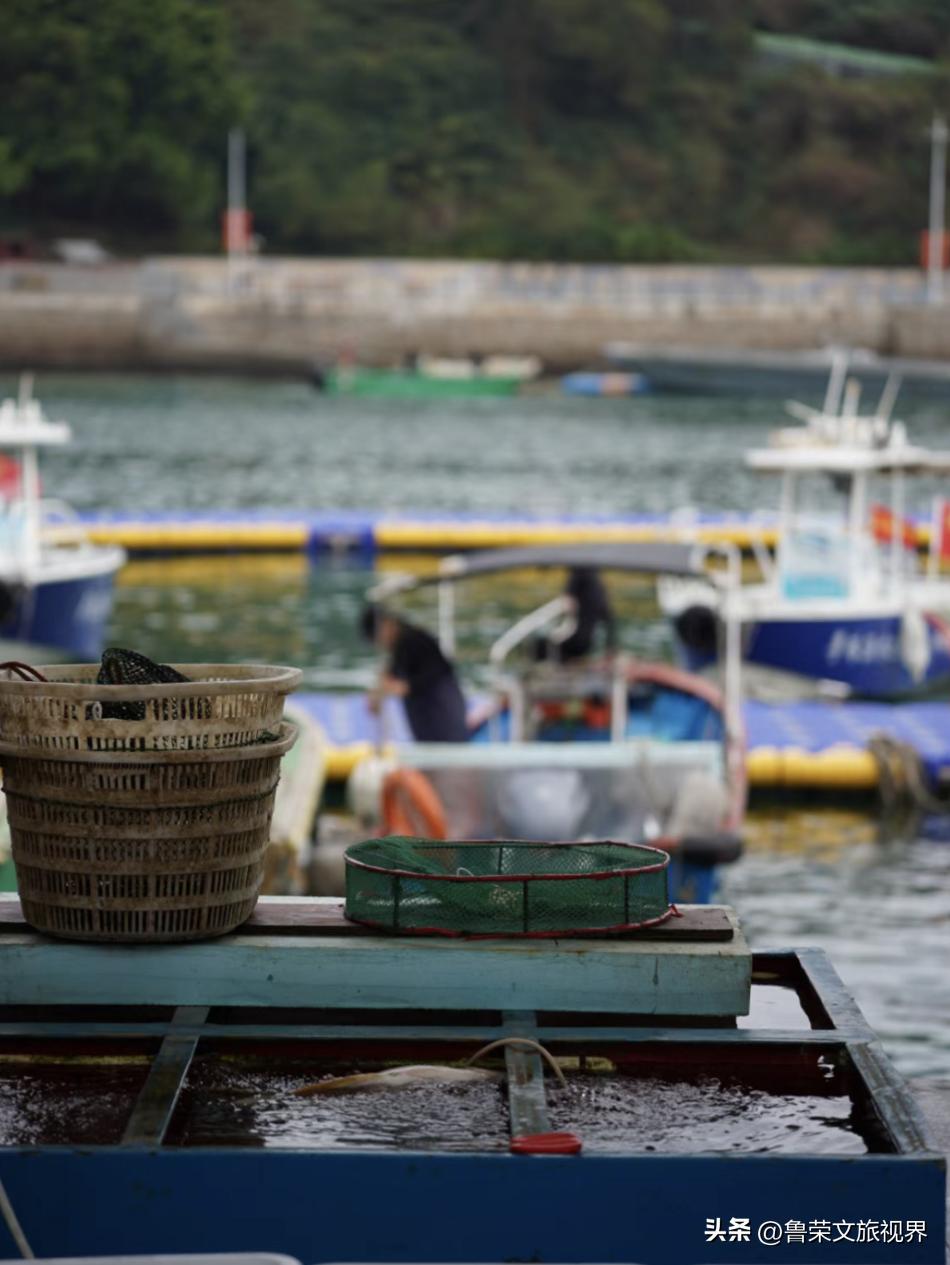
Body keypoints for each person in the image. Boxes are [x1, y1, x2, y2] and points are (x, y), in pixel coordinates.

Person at [361, 605, 469, 742]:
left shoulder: (413, 640)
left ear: (386, 625)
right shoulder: (400, 645)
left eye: (378, 639)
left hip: (441, 712)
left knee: (445, 750)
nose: (382, 644)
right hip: (432, 718)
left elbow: (434, 675)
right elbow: (389, 678)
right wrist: (378, 693)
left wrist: (402, 687)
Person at [536, 566, 616, 663]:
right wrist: (610, 647)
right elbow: (609, 619)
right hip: (588, 644)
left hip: (575, 641)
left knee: (539, 645)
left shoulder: (576, 575)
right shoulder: (598, 587)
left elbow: (567, 602)